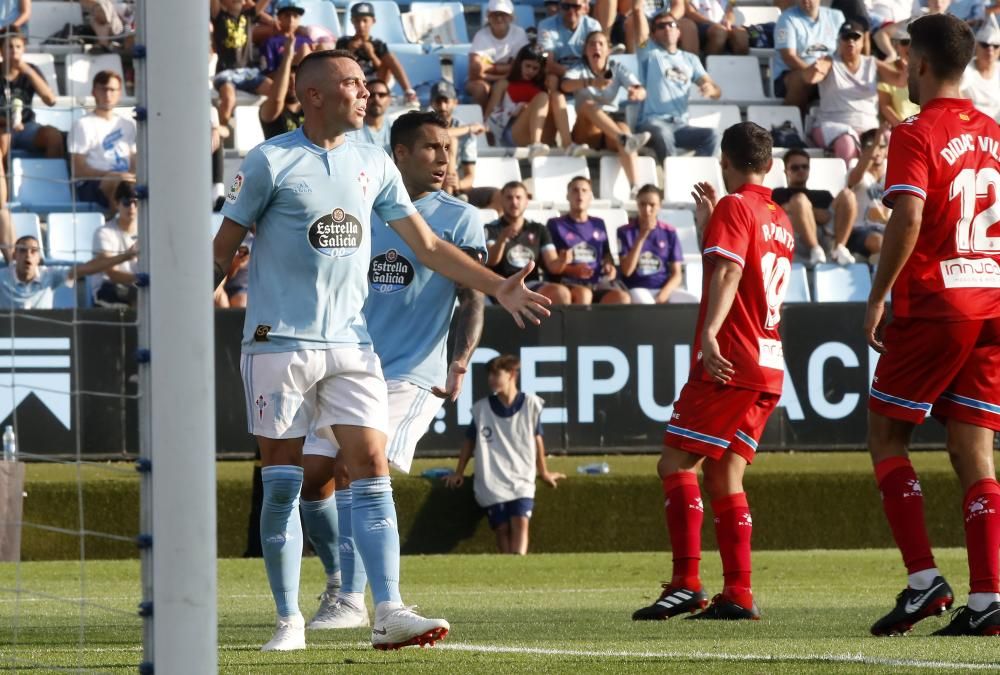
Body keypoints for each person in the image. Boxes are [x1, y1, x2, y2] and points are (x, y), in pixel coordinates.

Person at [212, 48, 549, 652]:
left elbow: (426, 246)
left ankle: (386, 608)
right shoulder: (269, 161)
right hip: (278, 342)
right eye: (351, 83)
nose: (364, 92)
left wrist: (497, 285)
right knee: (287, 483)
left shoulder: (373, 163)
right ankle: (289, 621)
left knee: (369, 469)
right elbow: (222, 251)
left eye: (366, 84)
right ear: (313, 94)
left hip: (352, 344)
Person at [299, 110, 488, 631]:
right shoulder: (362, 207)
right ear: (398, 153)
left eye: (447, 148)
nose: (443, 158)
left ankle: (359, 601)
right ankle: (341, 584)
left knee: (354, 467)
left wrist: (459, 360)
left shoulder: (460, 218)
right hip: (350, 361)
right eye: (430, 148)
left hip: (413, 371)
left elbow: (472, 298)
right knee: (312, 479)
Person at [864, 12, 1000, 638]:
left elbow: (909, 217)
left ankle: (924, 582)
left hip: (938, 302)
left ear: (919, 64)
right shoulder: (995, 132)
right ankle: (989, 598)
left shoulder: (916, 131)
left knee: (887, 438)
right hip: (992, 300)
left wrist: (878, 294)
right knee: (974, 452)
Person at [631, 122, 795, 622]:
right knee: (725, 473)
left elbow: (728, 273)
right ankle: (739, 593)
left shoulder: (735, 206)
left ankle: (685, 582)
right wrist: (708, 232)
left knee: (675, 465)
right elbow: (739, 271)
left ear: (725, 161)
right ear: (769, 164)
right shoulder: (779, 217)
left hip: (731, 359)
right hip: (768, 363)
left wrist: (709, 334)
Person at [443, 354, 565, 555]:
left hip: (522, 477)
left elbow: (537, 440)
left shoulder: (530, 404)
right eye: (489, 375)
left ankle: (519, 567)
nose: (491, 379)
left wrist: (544, 472)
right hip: (492, 479)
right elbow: (469, 442)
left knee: (521, 522)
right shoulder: (482, 409)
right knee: (501, 528)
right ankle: (510, 568)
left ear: (511, 375)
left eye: (496, 374)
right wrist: (459, 472)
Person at [804, 20, 906, 165]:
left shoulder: (872, 63)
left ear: (863, 41)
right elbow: (810, 78)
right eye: (846, 37)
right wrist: (815, 69)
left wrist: (908, 59)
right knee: (847, 143)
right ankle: (848, 185)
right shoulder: (829, 62)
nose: (850, 41)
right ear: (839, 41)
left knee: (890, 139)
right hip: (832, 125)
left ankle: (886, 185)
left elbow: (900, 81)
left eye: (855, 37)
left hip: (868, 127)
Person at [561, 31, 649, 197]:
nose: (597, 47)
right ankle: (624, 139)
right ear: (585, 50)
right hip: (586, 130)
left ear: (608, 50)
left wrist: (636, 93)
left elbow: (639, 88)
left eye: (601, 44)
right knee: (588, 105)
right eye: (592, 44)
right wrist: (591, 82)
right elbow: (565, 85)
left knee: (623, 128)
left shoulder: (616, 67)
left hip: (610, 125)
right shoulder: (578, 68)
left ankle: (635, 187)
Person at [634, 10, 722, 164]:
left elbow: (716, 91)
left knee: (713, 135)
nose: (667, 28)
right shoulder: (649, 53)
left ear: (679, 31)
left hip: (680, 126)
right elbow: (640, 32)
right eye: (661, 26)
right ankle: (674, 179)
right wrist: (637, 8)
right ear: (653, 35)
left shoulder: (691, 59)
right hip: (653, 122)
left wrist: (710, 88)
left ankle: (696, 177)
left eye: (671, 24)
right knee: (663, 132)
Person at [484, 44, 584, 157]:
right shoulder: (503, 84)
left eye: (535, 68)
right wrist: (514, 111)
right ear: (519, 64)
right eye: (527, 66)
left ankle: (567, 144)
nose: (530, 71)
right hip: (514, 134)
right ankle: (535, 144)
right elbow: (489, 118)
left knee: (557, 96)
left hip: (544, 136)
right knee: (542, 97)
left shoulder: (543, 86)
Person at [486, 181, 573, 305]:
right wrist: (501, 240)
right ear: (501, 201)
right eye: (509, 198)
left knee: (561, 293)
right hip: (502, 284)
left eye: (518, 197)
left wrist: (562, 260)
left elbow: (553, 267)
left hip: (531, 285)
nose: (514, 202)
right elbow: (491, 261)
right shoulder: (491, 228)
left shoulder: (539, 229)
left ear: (527, 201)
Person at [546, 176, 631, 305]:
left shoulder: (599, 224)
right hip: (568, 282)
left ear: (590, 196)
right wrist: (573, 270)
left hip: (597, 282)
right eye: (575, 190)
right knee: (584, 295)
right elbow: (551, 264)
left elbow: (606, 255)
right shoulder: (555, 224)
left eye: (584, 190)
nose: (580, 194)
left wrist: (609, 266)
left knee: (622, 298)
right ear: (567, 196)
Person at [0, 235, 136, 310]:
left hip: (42, 334)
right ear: (14, 256)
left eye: (33, 251)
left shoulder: (50, 275)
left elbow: (87, 268)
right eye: (23, 250)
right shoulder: (2, 277)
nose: (28, 255)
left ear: (39, 259)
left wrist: (125, 256)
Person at [771, 148, 858, 265]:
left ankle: (839, 248)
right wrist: (808, 211)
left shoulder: (823, 194)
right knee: (799, 199)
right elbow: (774, 215)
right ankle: (815, 249)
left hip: (827, 236)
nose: (800, 170)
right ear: (786, 171)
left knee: (848, 195)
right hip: (796, 238)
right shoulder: (778, 193)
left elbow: (827, 217)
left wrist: (799, 211)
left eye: (804, 167)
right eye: (795, 168)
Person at [69, 70, 137, 212]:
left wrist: (127, 177)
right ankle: (116, 224)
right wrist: (110, 175)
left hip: (126, 180)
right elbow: (78, 169)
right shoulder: (82, 124)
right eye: (103, 89)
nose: (107, 95)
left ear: (119, 93)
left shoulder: (128, 125)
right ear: (94, 92)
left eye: (112, 90)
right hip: (93, 184)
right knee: (120, 182)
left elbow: (134, 161)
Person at [337, 2, 419, 106]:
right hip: (353, 80)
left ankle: (409, 93)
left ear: (373, 21)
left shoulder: (378, 44)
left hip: (377, 81)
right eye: (357, 21)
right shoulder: (344, 42)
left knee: (390, 57)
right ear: (352, 21)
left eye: (365, 21)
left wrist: (372, 55)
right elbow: (339, 68)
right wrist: (350, 53)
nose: (361, 25)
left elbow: (383, 68)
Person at [617, 184, 685, 304]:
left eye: (652, 205)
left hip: (662, 288)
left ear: (660, 206)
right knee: (647, 304)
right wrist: (641, 236)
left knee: (692, 301)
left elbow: (677, 274)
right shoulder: (625, 231)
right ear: (637, 204)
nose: (647, 210)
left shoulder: (669, 232)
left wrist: (664, 294)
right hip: (636, 287)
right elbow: (627, 271)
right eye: (642, 204)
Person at [211, 0, 273, 130]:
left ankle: (271, 132)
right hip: (225, 73)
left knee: (276, 91)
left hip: (248, 73)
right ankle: (219, 137)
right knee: (229, 100)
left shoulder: (248, 16)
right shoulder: (218, 15)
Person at [773, 0, 847, 109]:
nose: (805, 0)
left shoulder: (836, 17)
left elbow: (845, 49)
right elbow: (788, 57)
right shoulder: (786, 18)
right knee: (801, 80)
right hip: (791, 74)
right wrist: (814, 72)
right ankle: (791, 122)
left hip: (829, 72)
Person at [0, 30, 62, 160]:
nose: (14, 51)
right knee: (3, 140)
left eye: (18, 47)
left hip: (27, 126)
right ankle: (5, 180)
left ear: (23, 50)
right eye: (9, 46)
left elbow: (50, 100)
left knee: (53, 136)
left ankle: (50, 179)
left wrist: (27, 71)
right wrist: (8, 122)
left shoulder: (31, 70)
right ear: (1, 50)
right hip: (2, 127)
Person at [467, 0, 530, 109]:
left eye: (503, 14)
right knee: (480, 89)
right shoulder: (481, 35)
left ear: (511, 17)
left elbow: (519, 67)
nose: (499, 18)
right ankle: (481, 121)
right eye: (495, 14)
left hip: (507, 78)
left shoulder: (519, 33)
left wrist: (488, 68)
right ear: (489, 16)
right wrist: (504, 73)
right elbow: (474, 71)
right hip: (483, 80)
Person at [428, 81, 485, 196]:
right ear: (432, 103)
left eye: (446, 101)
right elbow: (440, 135)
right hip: (429, 186)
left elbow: (470, 176)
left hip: (457, 188)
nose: (443, 106)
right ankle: (450, 200)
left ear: (455, 102)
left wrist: (458, 184)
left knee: (497, 196)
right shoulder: (425, 126)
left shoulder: (467, 134)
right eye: (438, 101)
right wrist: (468, 128)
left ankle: (451, 198)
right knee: (452, 142)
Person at [843, 127, 888, 263]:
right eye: (872, 146)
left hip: (888, 230)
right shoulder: (855, 172)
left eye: (881, 146)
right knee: (879, 242)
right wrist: (875, 143)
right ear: (862, 150)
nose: (877, 151)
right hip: (859, 230)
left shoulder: (895, 174)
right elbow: (854, 179)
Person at [538, 0, 604, 91]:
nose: (571, 10)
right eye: (566, 6)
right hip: (559, 73)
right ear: (560, 7)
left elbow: (596, 61)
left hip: (585, 74)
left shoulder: (593, 26)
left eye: (576, 6)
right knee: (551, 79)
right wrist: (572, 76)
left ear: (585, 8)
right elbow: (548, 63)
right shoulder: (545, 26)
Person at [92, 181, 139, 307]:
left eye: (136, 202)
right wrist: (142, 280)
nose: (132, 207)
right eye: (126, 202)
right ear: (117, 204)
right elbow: (111, 274)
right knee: (137, 294)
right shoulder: (104, 233)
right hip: (108, 288)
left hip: (137, 286)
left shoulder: (148, 232)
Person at [259, 33, 305, 140]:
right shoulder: (268, 108)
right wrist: (287, 57)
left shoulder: (311, 108)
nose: (293, 83)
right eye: (288, 79)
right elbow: (277, 100)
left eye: (296, 79)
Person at [877, 21, 920, 127]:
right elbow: (885, 106)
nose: (909, 46)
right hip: (902, 129)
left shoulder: (930, 69)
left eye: (913, 42)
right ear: (896, 46)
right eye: (905, 42)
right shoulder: (886, 69)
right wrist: (904, 128)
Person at [259, 0, 314, 76]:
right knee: (304, 49)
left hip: (311, 75)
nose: (291, 19)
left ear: (299, 20)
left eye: (295, 16)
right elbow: (268, 72)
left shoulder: (306, 39)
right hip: (285, 78)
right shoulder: (270, 42)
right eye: (287, 15)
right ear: (279, 18)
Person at [960, 19, 1000, 120]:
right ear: (976, 47)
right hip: (972, 124)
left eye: (995, 46)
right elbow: (955, 96)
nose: (990, 51)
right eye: (985, 45)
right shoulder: (965, 70)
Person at [685, 0, 750, 54]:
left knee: (741, 35)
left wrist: (728, 22)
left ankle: (737, 67)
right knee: (719, 32)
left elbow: (730, 12)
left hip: (721, 26)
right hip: (700, 25)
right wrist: (713, 24)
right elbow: (690, 13)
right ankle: (708, 65)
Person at [349, 78, 392, 153]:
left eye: (381, 95)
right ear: (363, 98)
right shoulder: (350, 130)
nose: (376, 99)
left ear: (389, 99)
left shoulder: (396, 126)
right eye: (371, 95)